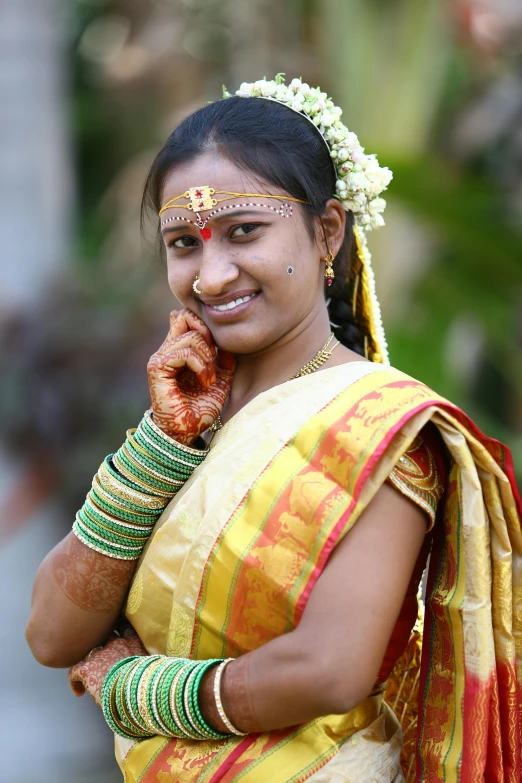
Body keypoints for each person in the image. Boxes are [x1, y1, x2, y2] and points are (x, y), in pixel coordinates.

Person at [26, 76, 522, 783]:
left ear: (327, 231)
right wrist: (161, 444)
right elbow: (50, 631)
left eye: (244, 232)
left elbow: (328, 668)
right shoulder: (183, 423)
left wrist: (134, 690)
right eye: (183, 243)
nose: (213, 273)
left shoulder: (380, 424)